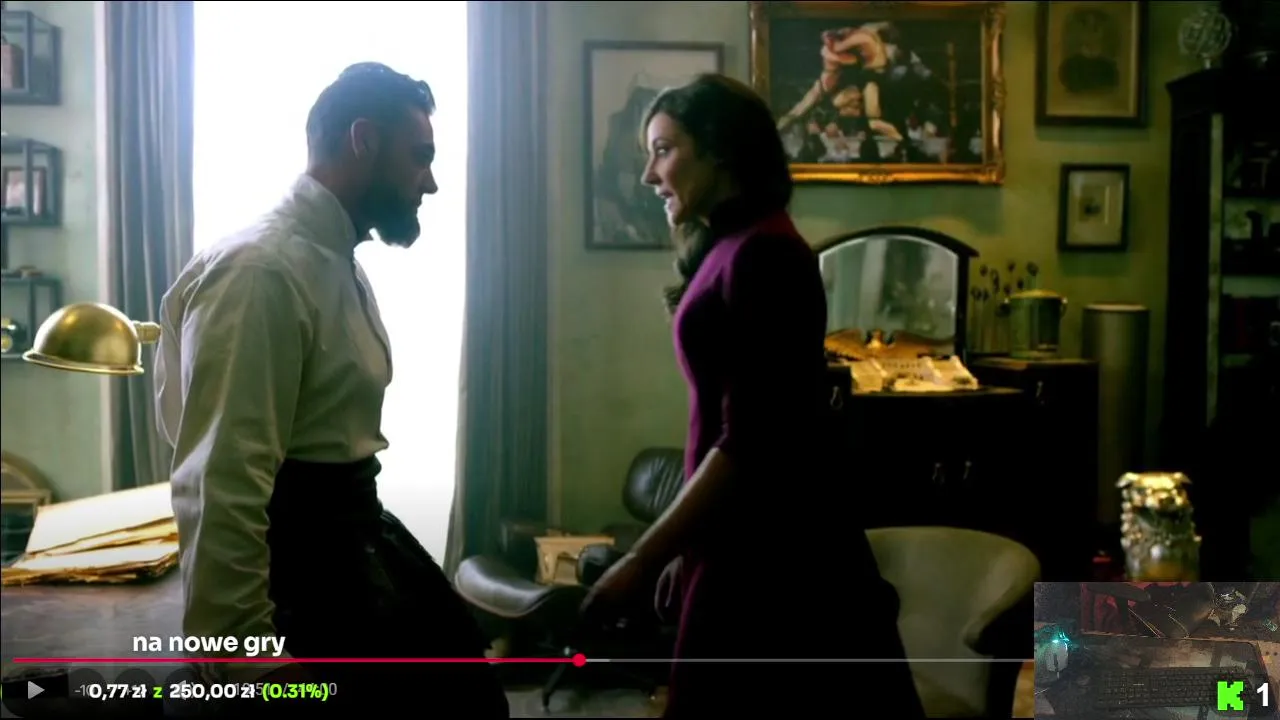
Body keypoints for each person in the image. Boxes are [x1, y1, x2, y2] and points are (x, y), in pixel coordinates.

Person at [155, 62, 508, 717]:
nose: (430, 181)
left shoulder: (336, 260)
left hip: (351, 541)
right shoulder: (260, 272)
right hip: (300, 575)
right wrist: (244, 657)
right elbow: (221, 476)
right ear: (363, 140)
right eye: (420, 157)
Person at [579, 73, 925, 717]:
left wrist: (645, 557)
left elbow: (751, 439)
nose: (650, 176)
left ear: (718, 150)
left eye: (663, 150)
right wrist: (688, 545)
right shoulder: (730, 245)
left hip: (776, 557)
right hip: (739, 540)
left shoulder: (767, 253)